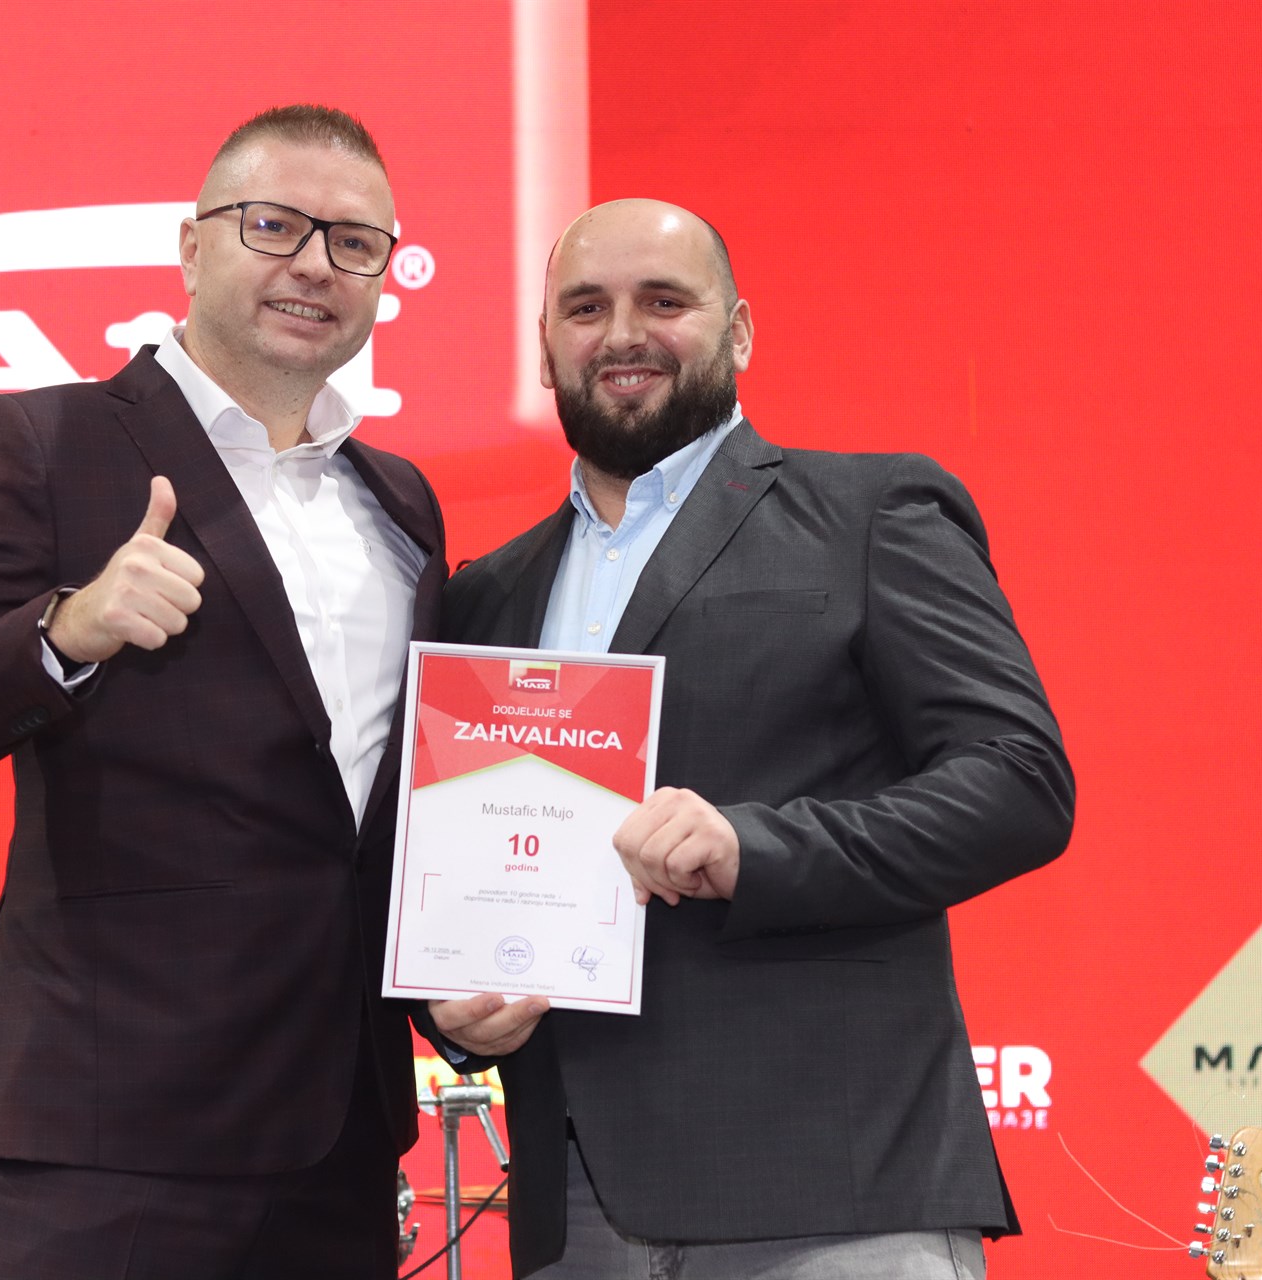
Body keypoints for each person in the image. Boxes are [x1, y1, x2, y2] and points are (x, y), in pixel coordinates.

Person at [0, 105, 444, 1279]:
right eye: (275, 225)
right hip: (112, 1129)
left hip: (344, 1133)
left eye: (355, 242)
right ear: (192, 246)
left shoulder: (401, 502)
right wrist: (64, 630)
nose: (315, 263)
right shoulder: (45, 439)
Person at [430, 199, 1074, 1279]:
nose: (621, 334)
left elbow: (1019, 782)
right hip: (574, 1207)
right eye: (584, 308)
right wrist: (453, 1013)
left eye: (663, 301)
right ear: (545, 348)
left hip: (834, 1190)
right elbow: (451, 876)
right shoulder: (483, 598)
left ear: (737, 333)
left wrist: (751, 846)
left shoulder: (871, 511)